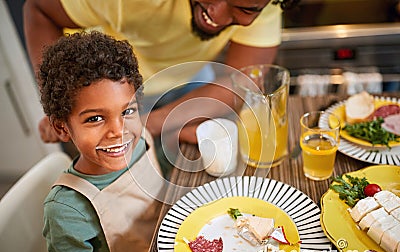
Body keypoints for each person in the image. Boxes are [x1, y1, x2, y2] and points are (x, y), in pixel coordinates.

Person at [23, 0, 299, 146]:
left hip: (188, 80)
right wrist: (59, 101)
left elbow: (242, 81)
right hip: (101, 95)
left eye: (243, 8)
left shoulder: (264, 4)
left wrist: (153, 125)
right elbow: (38, 10)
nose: (216, 12)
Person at [38, 31, 164, 252]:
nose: (118, 131)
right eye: (95, 118)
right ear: (62, 128)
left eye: (127, 112)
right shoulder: (66, 210)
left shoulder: (142, 141)